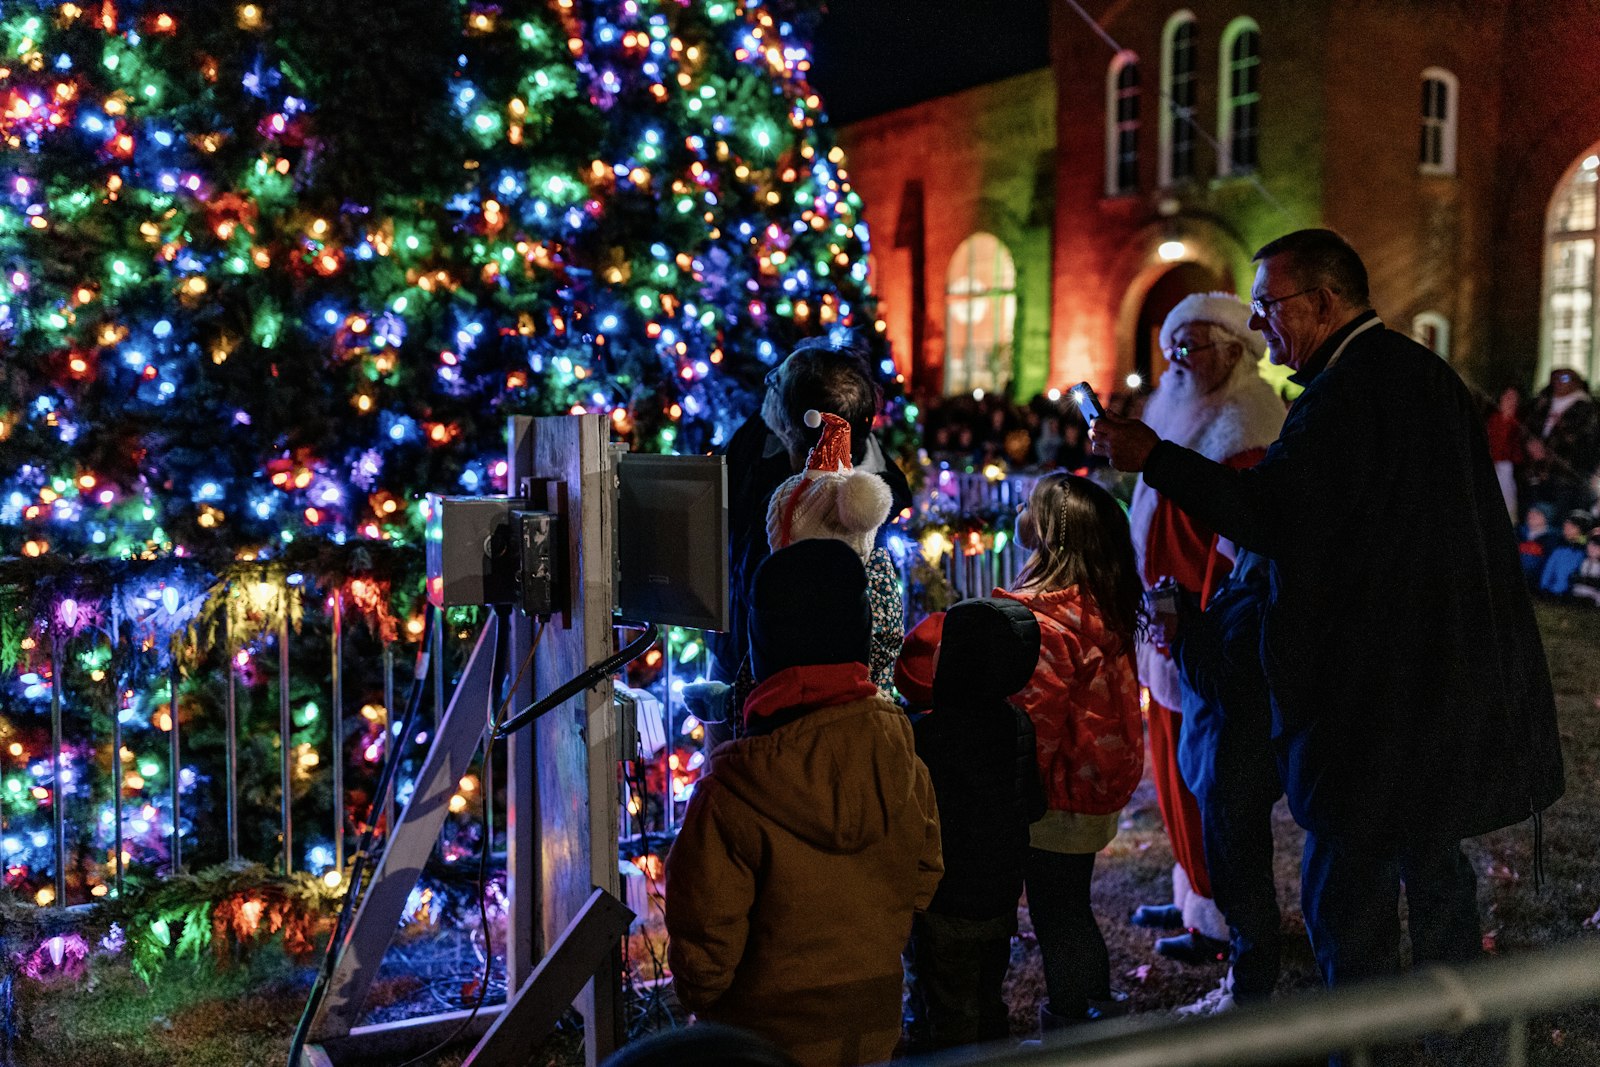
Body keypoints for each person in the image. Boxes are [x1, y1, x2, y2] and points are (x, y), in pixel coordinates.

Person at [1088, 228, 1564, 996]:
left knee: (1348, 896)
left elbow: (1272, 516)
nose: (1260, 322)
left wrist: (1157, 458)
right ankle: (1456, 1027)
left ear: (1322, 301)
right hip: (1431, 670)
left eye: (1268, 305)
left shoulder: (1344, 398)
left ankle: (1364, 1037)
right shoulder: (1418, 374)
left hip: (1367, 693)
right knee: (1432, 862)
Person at [664, 539, 942, 1067]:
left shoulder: (731, 791)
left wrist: (707, 1001)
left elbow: (704, 952)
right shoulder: (900, 753)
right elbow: (925, 876)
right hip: (872, 1028)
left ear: (764, 640)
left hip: (761, 1045)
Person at [1127, 292, 1286, 966]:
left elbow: (1231, 540)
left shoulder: (1246, 428)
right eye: (1173, 347)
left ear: (1234, 348)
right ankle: (1193, 886)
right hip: (1167, 624)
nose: (1180, 359)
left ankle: (1220, 912)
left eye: (1194, 344)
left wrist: (1193, 614)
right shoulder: (1178, 414)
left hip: (1205, 632)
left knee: (1207, 776)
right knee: (1171, 767)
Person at [994, 472, 1145, 1031]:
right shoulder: (1098, 601)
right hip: (1092, 789)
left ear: (1051, 533)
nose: (1018, 512)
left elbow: (1034, 725)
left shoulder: (1044, 622)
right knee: (1072, 907)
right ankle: (1095, 1003)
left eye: (1028, 505)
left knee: (1059, 915)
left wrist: (1009, 798)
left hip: (1055, 796)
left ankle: (1072, 1023)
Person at [711, 337, 912, 693]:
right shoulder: (763, 439)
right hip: (734, 661)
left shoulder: (852, 519)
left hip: (785, 690)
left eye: (776, 383)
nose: (767, 385)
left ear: (790, 426)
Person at [903, 598, 1044, 1051]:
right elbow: (1034, 804)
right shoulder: (1019, 723)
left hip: (945, 903)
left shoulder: (926, 735)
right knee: (989, 995)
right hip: (1000, 894)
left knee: (948, 1007)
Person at [1169, 549, 1287, 1014]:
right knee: (1235, 880)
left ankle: (1249, 997)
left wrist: (1182, 636)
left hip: (1235, 769)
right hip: (1220, 765)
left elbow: (1231, 689)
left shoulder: (1261, 593)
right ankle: (1243, 983)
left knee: (1243, 885)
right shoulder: (1243, 577)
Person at [1524, 367, 1600, 516]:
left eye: (1565, 378)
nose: (1559, 382)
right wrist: (1531, 445)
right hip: (1536, 475)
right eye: (1555, 378)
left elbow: (1585, 444)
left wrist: (1548, 452)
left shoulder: (1585, 409)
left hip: (1565, 479)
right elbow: (1528, 427)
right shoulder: (1543, 403)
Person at [1486, 386, 1526, 524]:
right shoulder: (1492, 419)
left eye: (1513, 397)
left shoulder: (1521, 423)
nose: (1509, 400)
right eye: (1506, 396)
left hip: (1509, 469)